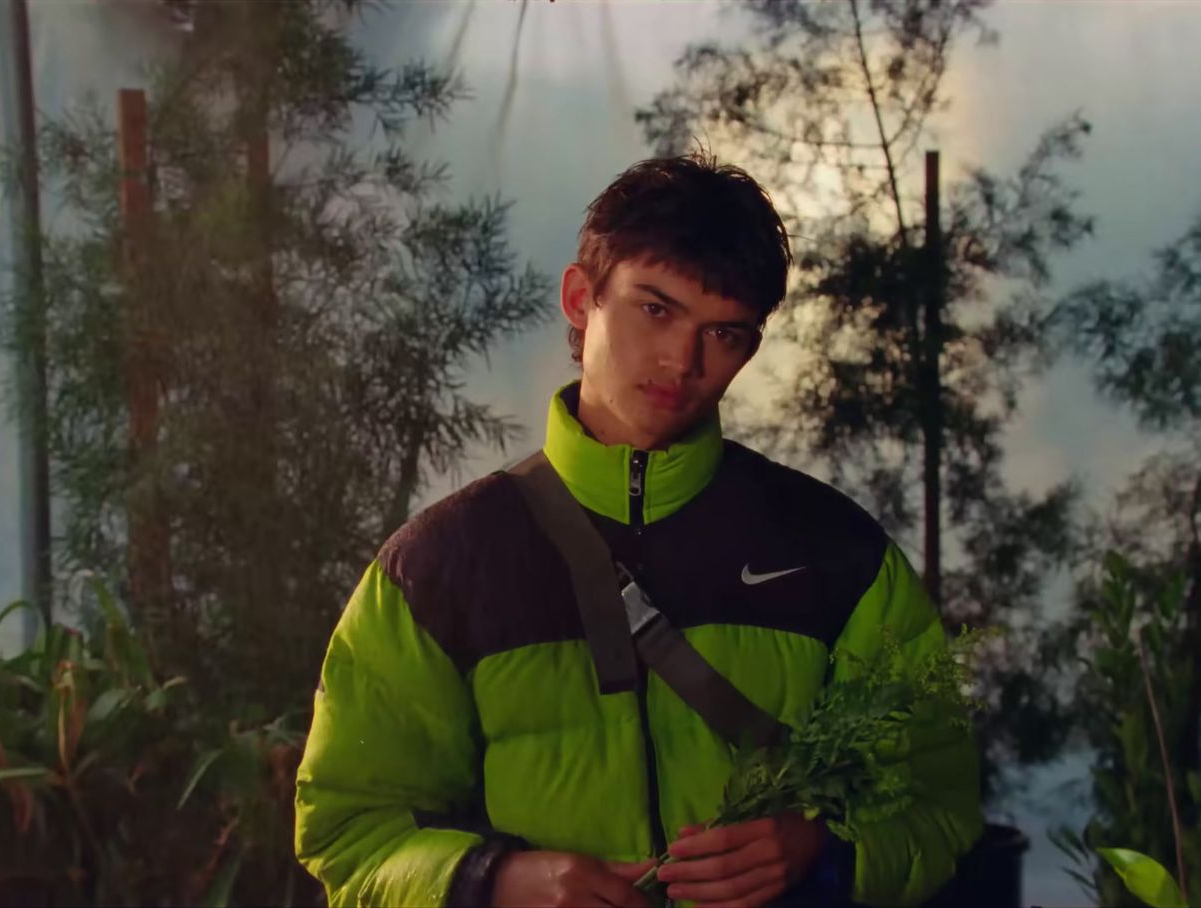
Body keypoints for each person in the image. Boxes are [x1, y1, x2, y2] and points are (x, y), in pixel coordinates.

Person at [293, 150, 982, 907]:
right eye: (656, 309)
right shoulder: (436, 569)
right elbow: (351, 834)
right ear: (581, 298)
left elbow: (937, 806)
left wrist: (818, 849)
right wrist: (491, 883)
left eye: (725, 335)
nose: (682, 361)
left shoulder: (836, 553)